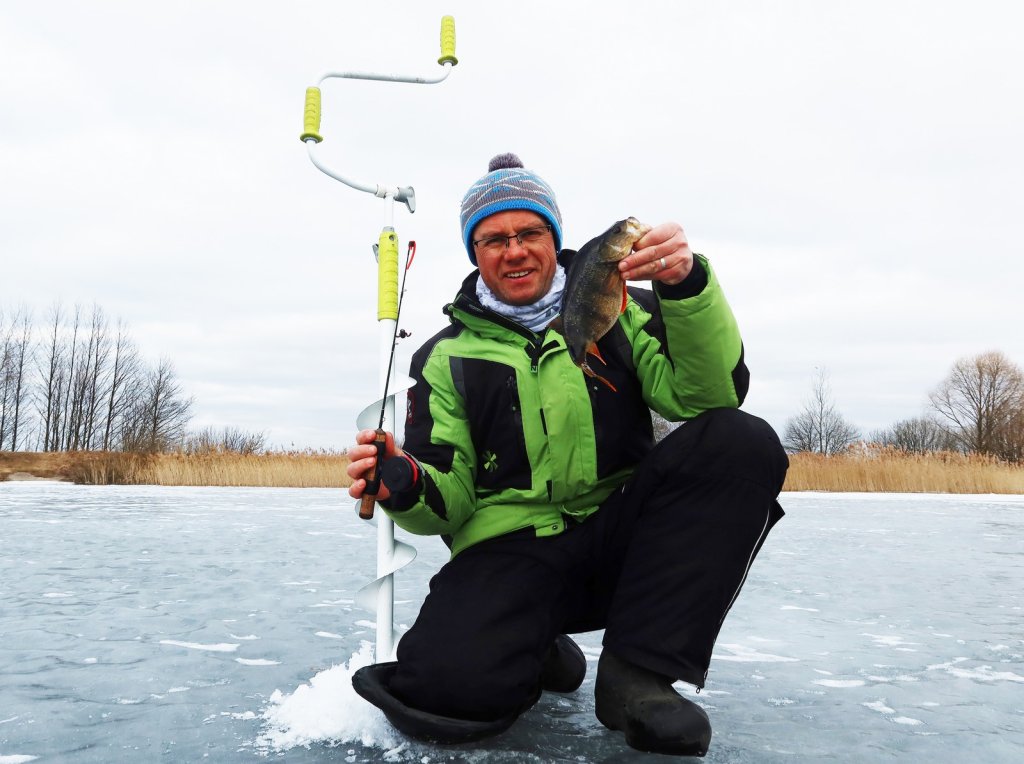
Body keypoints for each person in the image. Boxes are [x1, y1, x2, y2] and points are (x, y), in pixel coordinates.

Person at [346, 153, 788, 757]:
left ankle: (637, 674)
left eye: (530, 232)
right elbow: (444, 503)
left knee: (740, 442)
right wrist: (402, 480)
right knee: (443, 695)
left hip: (622, 538)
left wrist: (684, 287)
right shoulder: (444, 359)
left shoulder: (624, 306)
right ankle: (531, 644)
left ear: (555, 239)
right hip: (511, 551)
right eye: (493, 238)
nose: (515, 250)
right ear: (475, 254)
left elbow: (706, 394)